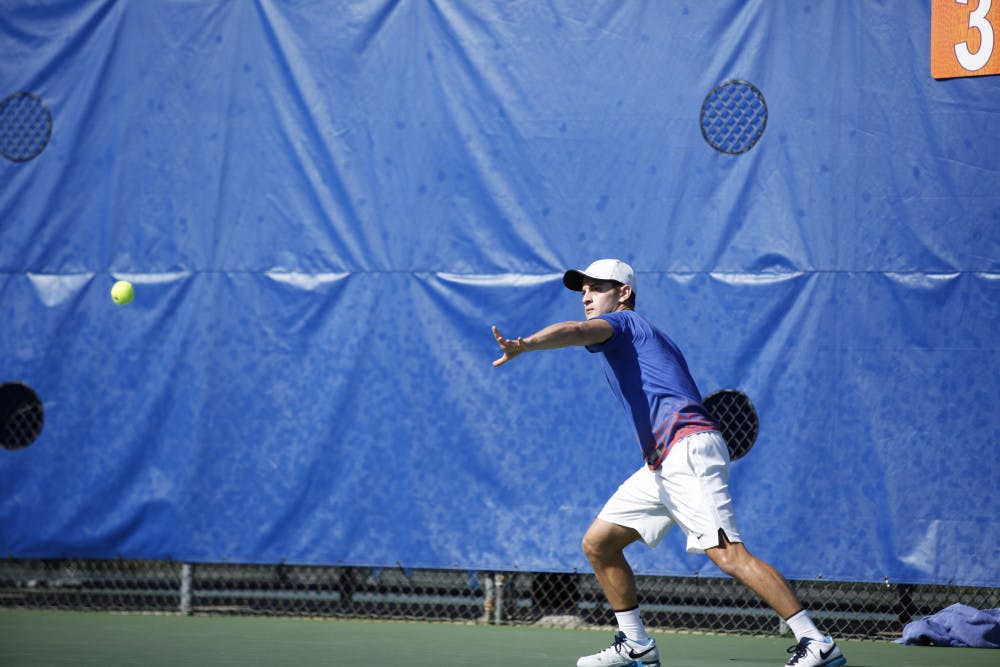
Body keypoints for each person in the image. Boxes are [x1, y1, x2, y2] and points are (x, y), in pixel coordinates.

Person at [491, 259, 845, 667]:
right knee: (599, 544)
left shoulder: (624, 324)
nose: (586, 296)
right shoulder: (639, 337)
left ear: (622, 293)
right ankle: (636, 644)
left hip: (686, 450)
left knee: (729, 555)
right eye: (582, 289)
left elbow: (575, 332)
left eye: (597, 287)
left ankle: (815, 641)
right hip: (661, 463)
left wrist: (526, 344)